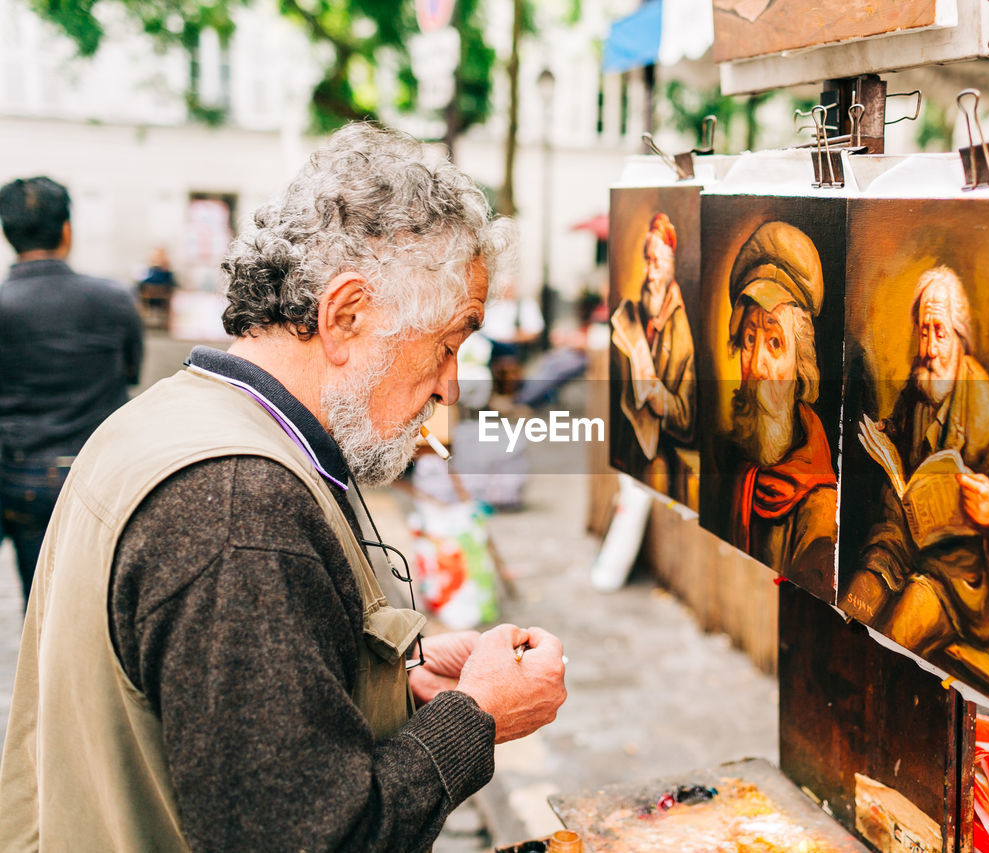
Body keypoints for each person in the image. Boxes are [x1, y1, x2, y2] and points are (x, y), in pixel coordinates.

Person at [0, 124, 567, 851]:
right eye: (449, 343)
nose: (448, 386)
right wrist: (476, 717)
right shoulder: (238, 507)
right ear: (346, 315)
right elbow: (310, 837)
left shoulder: (171, 417)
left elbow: (231, 716)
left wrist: (396, 674)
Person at [840, 265, 989, 658]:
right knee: (852, 605)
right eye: (923, 332)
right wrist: (886, 432)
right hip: (898, 541)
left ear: (960, 336)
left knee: (891, 637)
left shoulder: (986, 410)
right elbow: (901, 425)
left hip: (954, 577)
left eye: (940, 333)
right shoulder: (921, 380)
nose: (928, 349)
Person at [0, 176, 143, 602]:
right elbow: (131, 372)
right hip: (94, 474)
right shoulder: (114, 299)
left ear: (8, 233)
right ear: (66, 230)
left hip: (16, 473)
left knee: (37, 599)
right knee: (79, 605)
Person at [717, 221, 837, 594]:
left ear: (800, 363)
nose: (756, 365)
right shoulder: (736, 459)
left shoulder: (818, 508)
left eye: (774, 343)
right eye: (750, 339)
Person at [610, 213, 697, 503]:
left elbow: (686, 417)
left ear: (672, 267)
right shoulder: (640, 311)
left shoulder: (680, 331)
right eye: (647, 261)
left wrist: (659, 397)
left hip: (660, 458)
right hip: (631, 445)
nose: (649, 274)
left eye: (656, 263)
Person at [137, 246, 178, 326]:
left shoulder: (159, 271)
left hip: (153, 299)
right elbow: (173, 283)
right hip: (162, 300)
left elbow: (143, 282)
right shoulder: (165, 272)